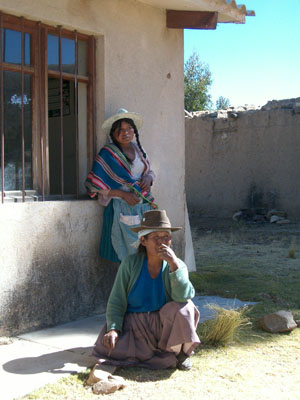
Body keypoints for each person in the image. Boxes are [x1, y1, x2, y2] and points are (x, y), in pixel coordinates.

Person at [93, 209, 200, 370]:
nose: (162, 243)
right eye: (156, 238)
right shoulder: (130, 264)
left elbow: (183, 296)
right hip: (135, 324)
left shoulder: (177, 265)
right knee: (108, 349)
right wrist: (113, 328)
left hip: (162, 325)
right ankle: (152, 351)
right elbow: (117, 299)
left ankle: (181, 354)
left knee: (186, 308)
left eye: (166, 237)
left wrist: (173, 266)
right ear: (143, 241)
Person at [85, 108, 156, 262]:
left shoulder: (140, 151)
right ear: (113, 133)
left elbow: (150, 171)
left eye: (129, 128)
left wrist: (149, 178)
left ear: (134, 130)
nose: (126, 132)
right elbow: (97, 186)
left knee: (145, 252)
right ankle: (126, 283)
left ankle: (141, 284)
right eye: (120, 129)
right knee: (126, 253)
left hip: (142, 207)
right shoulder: (107, 154)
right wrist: (124, 194)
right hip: (120, 209)